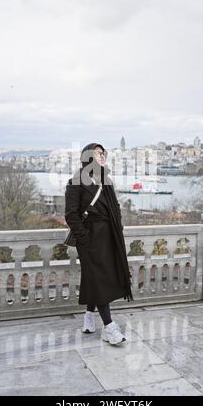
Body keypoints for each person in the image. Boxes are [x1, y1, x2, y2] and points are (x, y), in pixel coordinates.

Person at [65, 143, 134, 345]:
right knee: (100, 277)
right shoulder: (76, 182)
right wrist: (85, 238)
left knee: (94, 276)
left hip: (109, 236)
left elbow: (115, 209)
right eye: (97, 153)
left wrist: (117, 230)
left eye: (103, 153)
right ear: (87, 157)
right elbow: (71, 215)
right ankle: (109, 327)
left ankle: (88, 316)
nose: (102, 156)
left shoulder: (106, 180)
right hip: (90, 239)